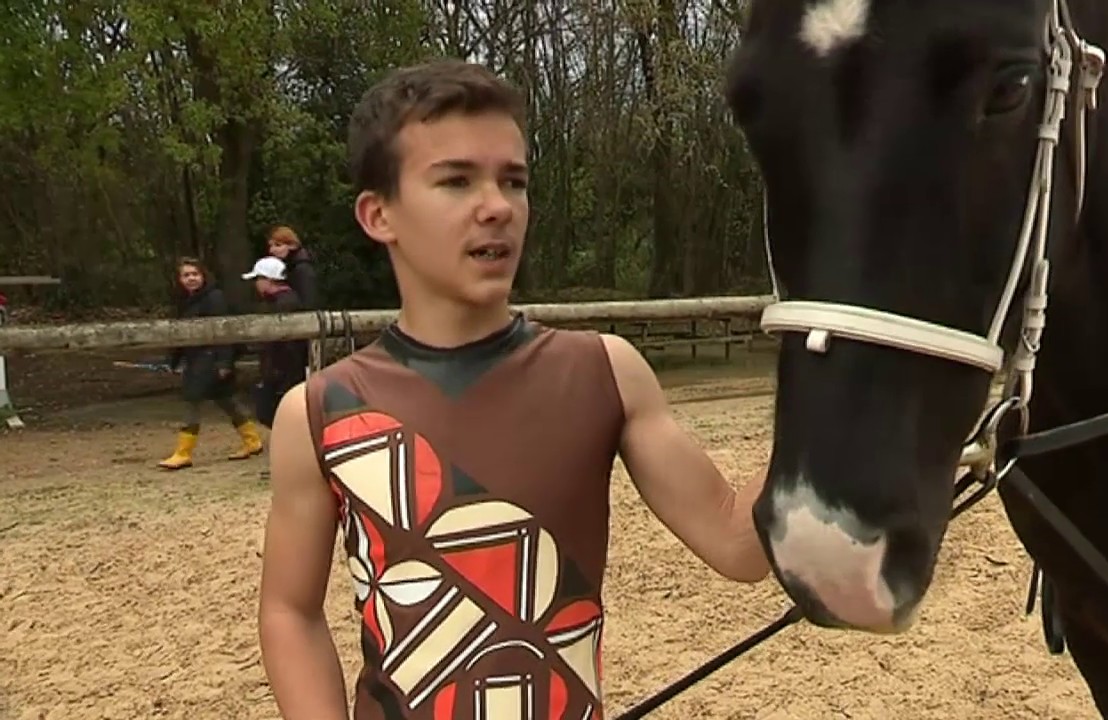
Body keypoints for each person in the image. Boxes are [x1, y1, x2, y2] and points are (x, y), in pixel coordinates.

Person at [256, 59, 770, 720]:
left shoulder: (605, 373)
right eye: (456, 181)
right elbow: (288, 612)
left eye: (514, 181)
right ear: (378, 214)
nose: (497, 206)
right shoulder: (320, 411)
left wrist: (836, 376)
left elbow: (738, 543)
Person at [158, 257, 263, 470]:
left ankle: (183, 452)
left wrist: (224, 362)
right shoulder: (184, 301)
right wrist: (173, 360)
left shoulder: (215, 298)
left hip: (211, 360)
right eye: (186, 275)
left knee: (191, 401)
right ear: (179, 279)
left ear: (203, 275)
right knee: (226, 401)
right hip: (196, 358)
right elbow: (180, 334)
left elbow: (224, 331)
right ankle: (252, 440)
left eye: (194, 274)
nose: (191, 279)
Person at [241, 256, 309, 428]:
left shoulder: (282, 304)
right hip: (281, 369)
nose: (256, 284)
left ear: (267, 280)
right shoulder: (284, 301)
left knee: (271, 413)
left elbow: (283, 345)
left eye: (258, 279)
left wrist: (274, 370)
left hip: (282, 370)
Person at [265, 225, 322, 310]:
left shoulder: (302, 269)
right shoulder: (291, 266)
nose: (272, 250)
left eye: (278, 245)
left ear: (292, 245)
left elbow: (309, 304)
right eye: (271, 246)